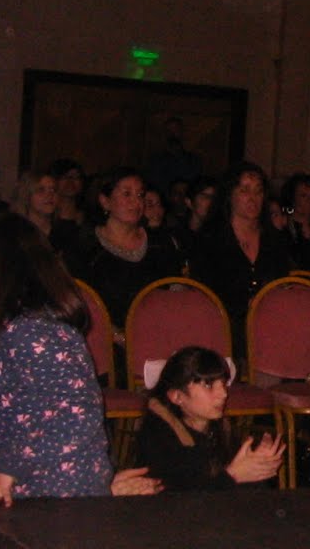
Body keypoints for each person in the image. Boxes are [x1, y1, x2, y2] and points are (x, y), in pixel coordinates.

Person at [0, 213, 160, 504]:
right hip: (34, 482)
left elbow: (75, 415)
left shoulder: (34, 333)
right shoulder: (17, 330)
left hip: (51, 490)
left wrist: (6, 470)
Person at [136, 346, 284, 491]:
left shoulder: (218, 428)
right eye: (209, 385)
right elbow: (180, 500)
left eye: (224, 384)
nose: (223, 394)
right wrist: (233, 476)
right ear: (177, 396)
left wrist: (258, 467)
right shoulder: (157, 436)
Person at [192, 162, 293, 359]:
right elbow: (203, 292)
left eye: (258, 191)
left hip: (269, 329)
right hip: (221, 327)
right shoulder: (209, 240)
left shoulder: (275, 240)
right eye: (244, 190)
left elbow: (282, 284)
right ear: (230, 195)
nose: (252, 198)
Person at [62, 166, 182, 329]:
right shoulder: (84, 247)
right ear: (105, 201)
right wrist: (118, 337)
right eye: (127, 194)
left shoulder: (160, 242)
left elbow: (176, 290)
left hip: (158, 335)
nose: (136, 202)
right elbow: (82, 305)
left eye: (140, 195)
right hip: (105, 339)